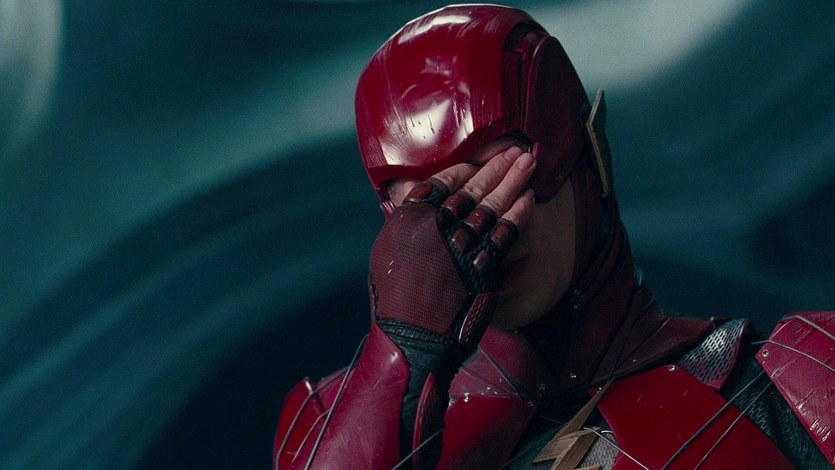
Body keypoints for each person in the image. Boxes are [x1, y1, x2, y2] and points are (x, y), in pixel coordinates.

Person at [273, 5, 833, 469]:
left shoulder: (806, 376)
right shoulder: (327, 426)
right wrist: (403, 355)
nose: (477, 228)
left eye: (498, 173)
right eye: (431, 205)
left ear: (587, 157)